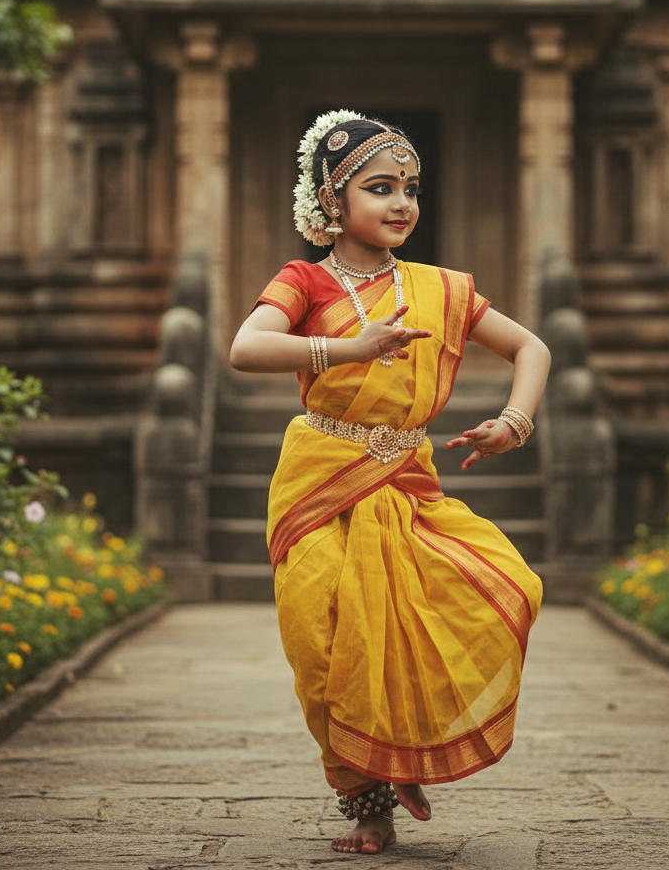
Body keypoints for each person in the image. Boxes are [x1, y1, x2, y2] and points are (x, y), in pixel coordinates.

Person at [229, 110, 550, 855]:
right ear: (333, 203)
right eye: (380, 188)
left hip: (406, 481)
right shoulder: (303, 279)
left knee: (486, 594)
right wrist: (347, 349)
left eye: (412, 187)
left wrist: (514, 420)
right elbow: (246, 349)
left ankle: (398, 749)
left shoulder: (441, 288)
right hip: (319, 481)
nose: (402, 202)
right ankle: (367, 800)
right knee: (323, 647)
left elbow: (529, 346)